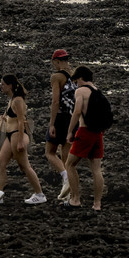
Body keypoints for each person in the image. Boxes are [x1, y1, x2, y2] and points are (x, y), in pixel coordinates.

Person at [0, 74, 46, 205]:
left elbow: (21, 121)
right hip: (10, 135)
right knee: (0, 162)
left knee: (24, 166)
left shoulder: (17, 100)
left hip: (17, 134)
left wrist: (21, 140)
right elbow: (13, 117)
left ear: (10, 86)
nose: (1, 87)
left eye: (3, 84)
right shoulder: (11, 100)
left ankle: (40, 194)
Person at [62, 65, 109, 210]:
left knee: (69, 164)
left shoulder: (81, 91)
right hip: (97, 133)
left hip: (84, 131)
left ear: (80, 78)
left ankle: (75, 200)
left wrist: (70, 131)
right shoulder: (97, 91)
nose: (75, 84)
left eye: (76, 81)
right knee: (96, 169)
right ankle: (97, 204)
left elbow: (76, 112)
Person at [45, 49, 76, 199]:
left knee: (50, 152)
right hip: (73, 118)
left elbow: (55, 101)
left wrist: (52, 124)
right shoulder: (75, 74)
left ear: (57, 61)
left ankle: (65, 178)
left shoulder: (56, 77)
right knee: (66, 156)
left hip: (61, 118)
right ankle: (71, 194)